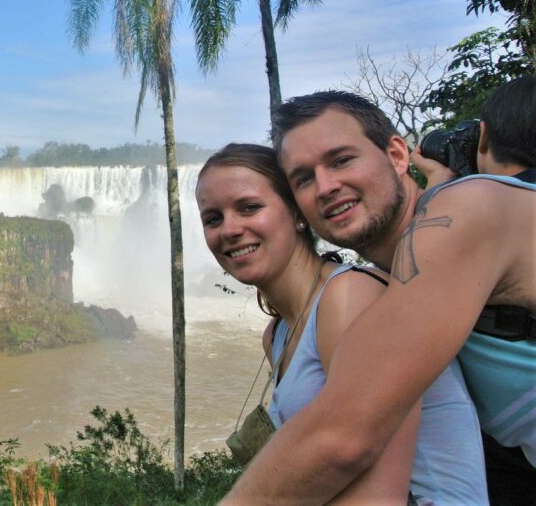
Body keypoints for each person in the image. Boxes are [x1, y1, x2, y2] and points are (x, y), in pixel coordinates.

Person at [224, 78, 536, 504]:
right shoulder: (389, 280)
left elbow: (345, 436)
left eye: (341, 160)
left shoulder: (467, 208)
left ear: (396, 154)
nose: (326, 185)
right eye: (303, 178)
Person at [197, 143, 486, 504]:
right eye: (213, 218)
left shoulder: (350, 297)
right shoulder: (277, 334)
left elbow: (377, 492)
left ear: (297, 213)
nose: (230, 229)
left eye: (249, 208)